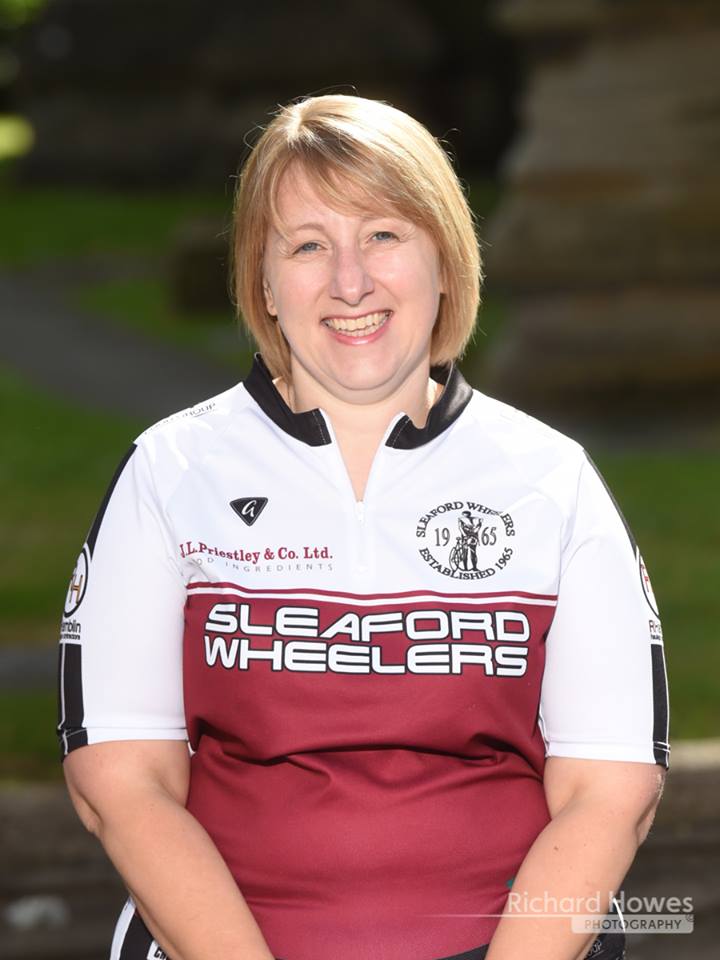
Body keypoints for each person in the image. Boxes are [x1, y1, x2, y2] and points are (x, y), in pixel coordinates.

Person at [57, 94, 669, 960]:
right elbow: (122, 786)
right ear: (263, 284)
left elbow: (609, 793)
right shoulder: (171, 472)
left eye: (384, 235)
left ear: (446, 262)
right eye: (308, 246)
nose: (351, 282)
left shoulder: (550, 478)